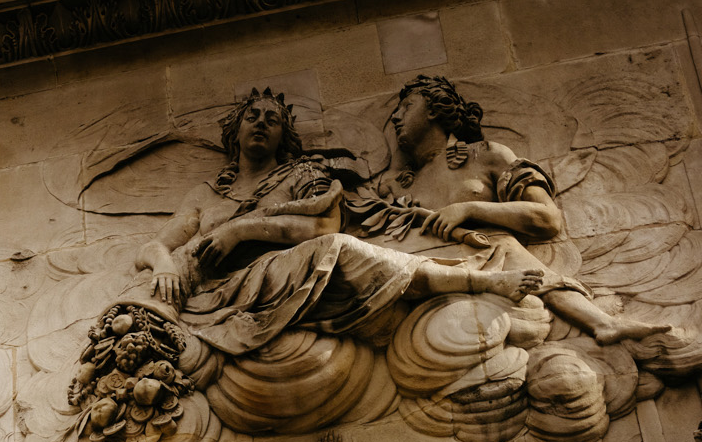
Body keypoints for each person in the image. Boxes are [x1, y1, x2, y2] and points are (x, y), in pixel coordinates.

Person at [132, 87, 542, 360]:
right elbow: (153, 247)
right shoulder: (207, 194)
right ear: (234, 131)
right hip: (217, 296)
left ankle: (478, 282)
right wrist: (165, 265)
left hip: (279, 275)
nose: (260, 122)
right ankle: (475, 281)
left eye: (271, 120)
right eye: (252, 116)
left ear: (283, 136)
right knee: (340, 251)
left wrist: (241, 229)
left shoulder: (299, 176)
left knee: (340, 247)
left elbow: (324, 226)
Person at [346, 74, 674, 347]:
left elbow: (547, 219)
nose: (396, 116)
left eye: (407, 106)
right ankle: (598, 321)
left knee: (498, 241)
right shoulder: (395, 187)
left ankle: (598, 321)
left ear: (434, 110)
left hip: (486, 273)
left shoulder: (487, 156)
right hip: (425, 283)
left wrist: (470, 208)